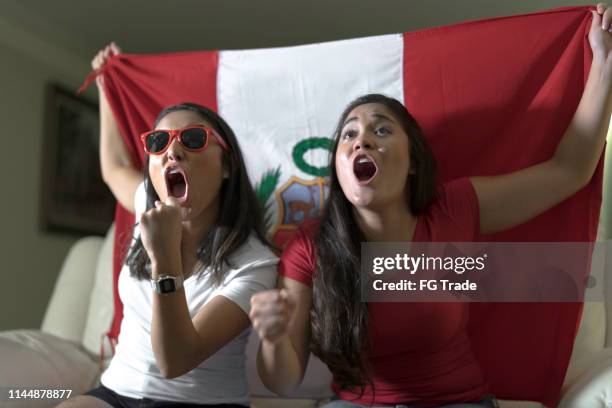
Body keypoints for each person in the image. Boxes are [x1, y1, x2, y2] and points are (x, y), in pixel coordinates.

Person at [250, 4, 612, 407]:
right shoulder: (309, 246)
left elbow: (569, 170)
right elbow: (282, 382)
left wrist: (605, 61)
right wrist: (274, 336)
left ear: (412, 163)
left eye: (381, 130)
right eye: (349, 134)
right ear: (338, 167)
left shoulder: (454, 209)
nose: (362, 140)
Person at [59, 44, 277, 408]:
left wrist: (164, 261)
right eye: (159, 143)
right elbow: (113, 167)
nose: (172, 153)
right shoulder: (147, 199)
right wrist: (106, 86)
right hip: (117, 393)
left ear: (226, 167)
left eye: (192, 139)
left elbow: (175, 360)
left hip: (202, 403)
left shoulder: (256, 263)